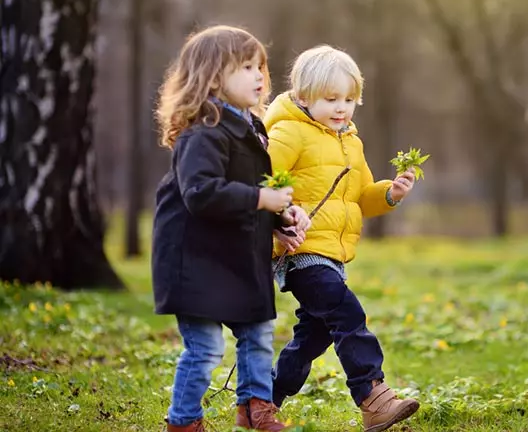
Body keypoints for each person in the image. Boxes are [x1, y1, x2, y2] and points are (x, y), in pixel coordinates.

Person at [152, 25, 310, 432]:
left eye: (262, 66)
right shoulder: (202, 132)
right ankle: (184, 421)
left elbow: (260, 190)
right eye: (246, 67)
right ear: (212, 76)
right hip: (196, 259)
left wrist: (281, 218)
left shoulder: (253, 129)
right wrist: (261, 201)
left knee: (257, 333)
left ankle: (255, 405)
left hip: (240, 254)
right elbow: (201, 193)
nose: (260, 76)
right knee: (204, 348)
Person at [265, 45, 419, 432]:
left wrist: (390, 193)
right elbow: (263, 181)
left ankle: (263, 398)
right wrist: (283, 217)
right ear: (303, 97)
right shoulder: (288, 133)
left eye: (349, 99)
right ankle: (373, 397)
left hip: (332, 256)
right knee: (347, 313)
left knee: (313, 335)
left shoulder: (350, 141)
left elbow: (361, 195)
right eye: (331, 99)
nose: (341, 108)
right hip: (300, 251)